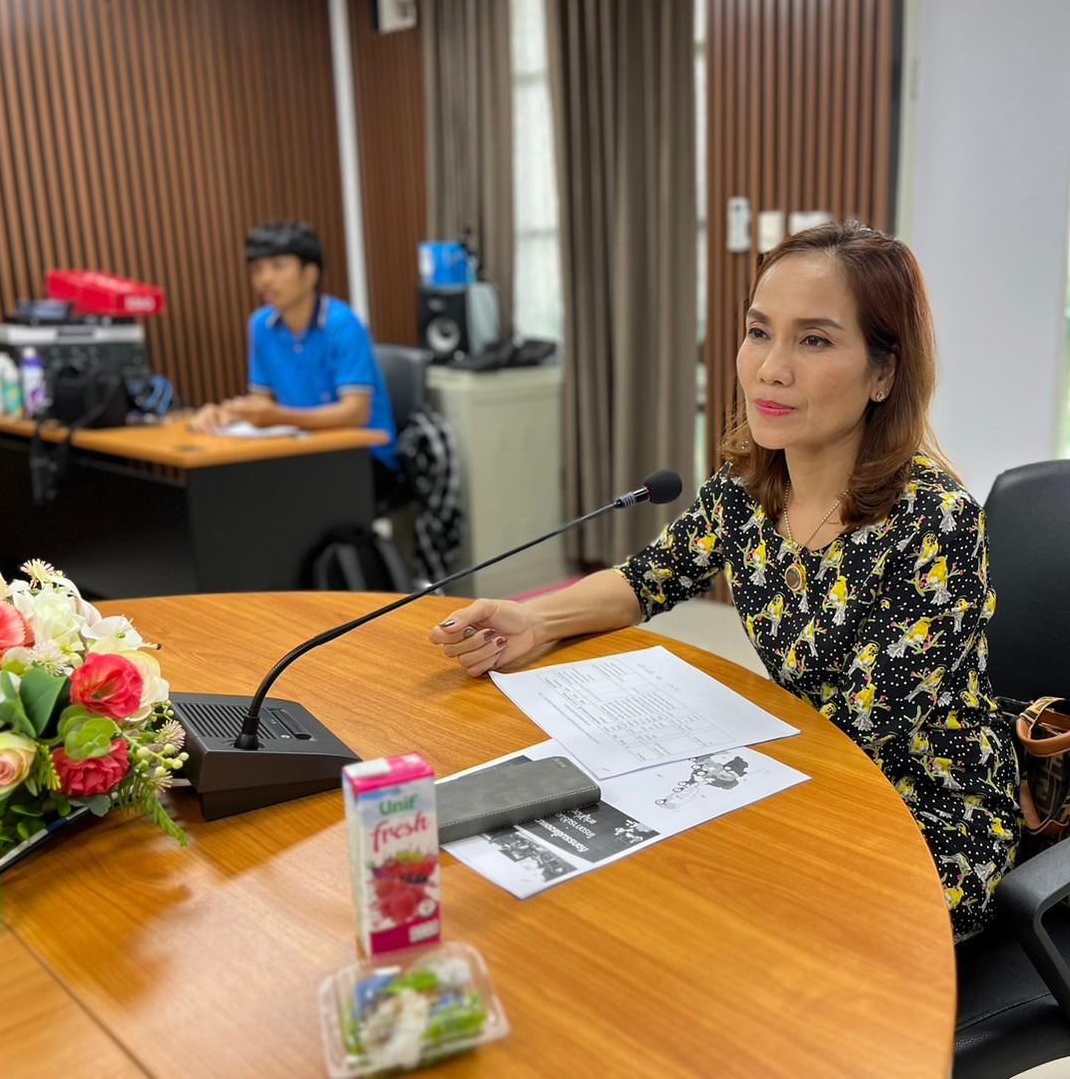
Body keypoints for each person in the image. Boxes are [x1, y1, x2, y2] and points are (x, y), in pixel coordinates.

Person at [431, 221, 1022, 940]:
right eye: (758, 332)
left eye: (814, 340)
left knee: (703, 920)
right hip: (798, 779)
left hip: (917, 816)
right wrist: (537, 620)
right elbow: (648, 579)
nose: (770, 368)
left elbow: (858, 735)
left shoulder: (934, 523)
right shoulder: (748, 490)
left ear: (883, 374)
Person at [190, 221, 401, 492]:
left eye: (278, 266)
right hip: (302, 450)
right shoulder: (260, 325)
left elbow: (356, 413)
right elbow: (261, 402)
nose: (265, 279)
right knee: (231, 484)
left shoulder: (342, 323)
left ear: (310, 274)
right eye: (257, 269)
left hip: (364, 458)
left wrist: (280, 417)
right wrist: (226, 414)